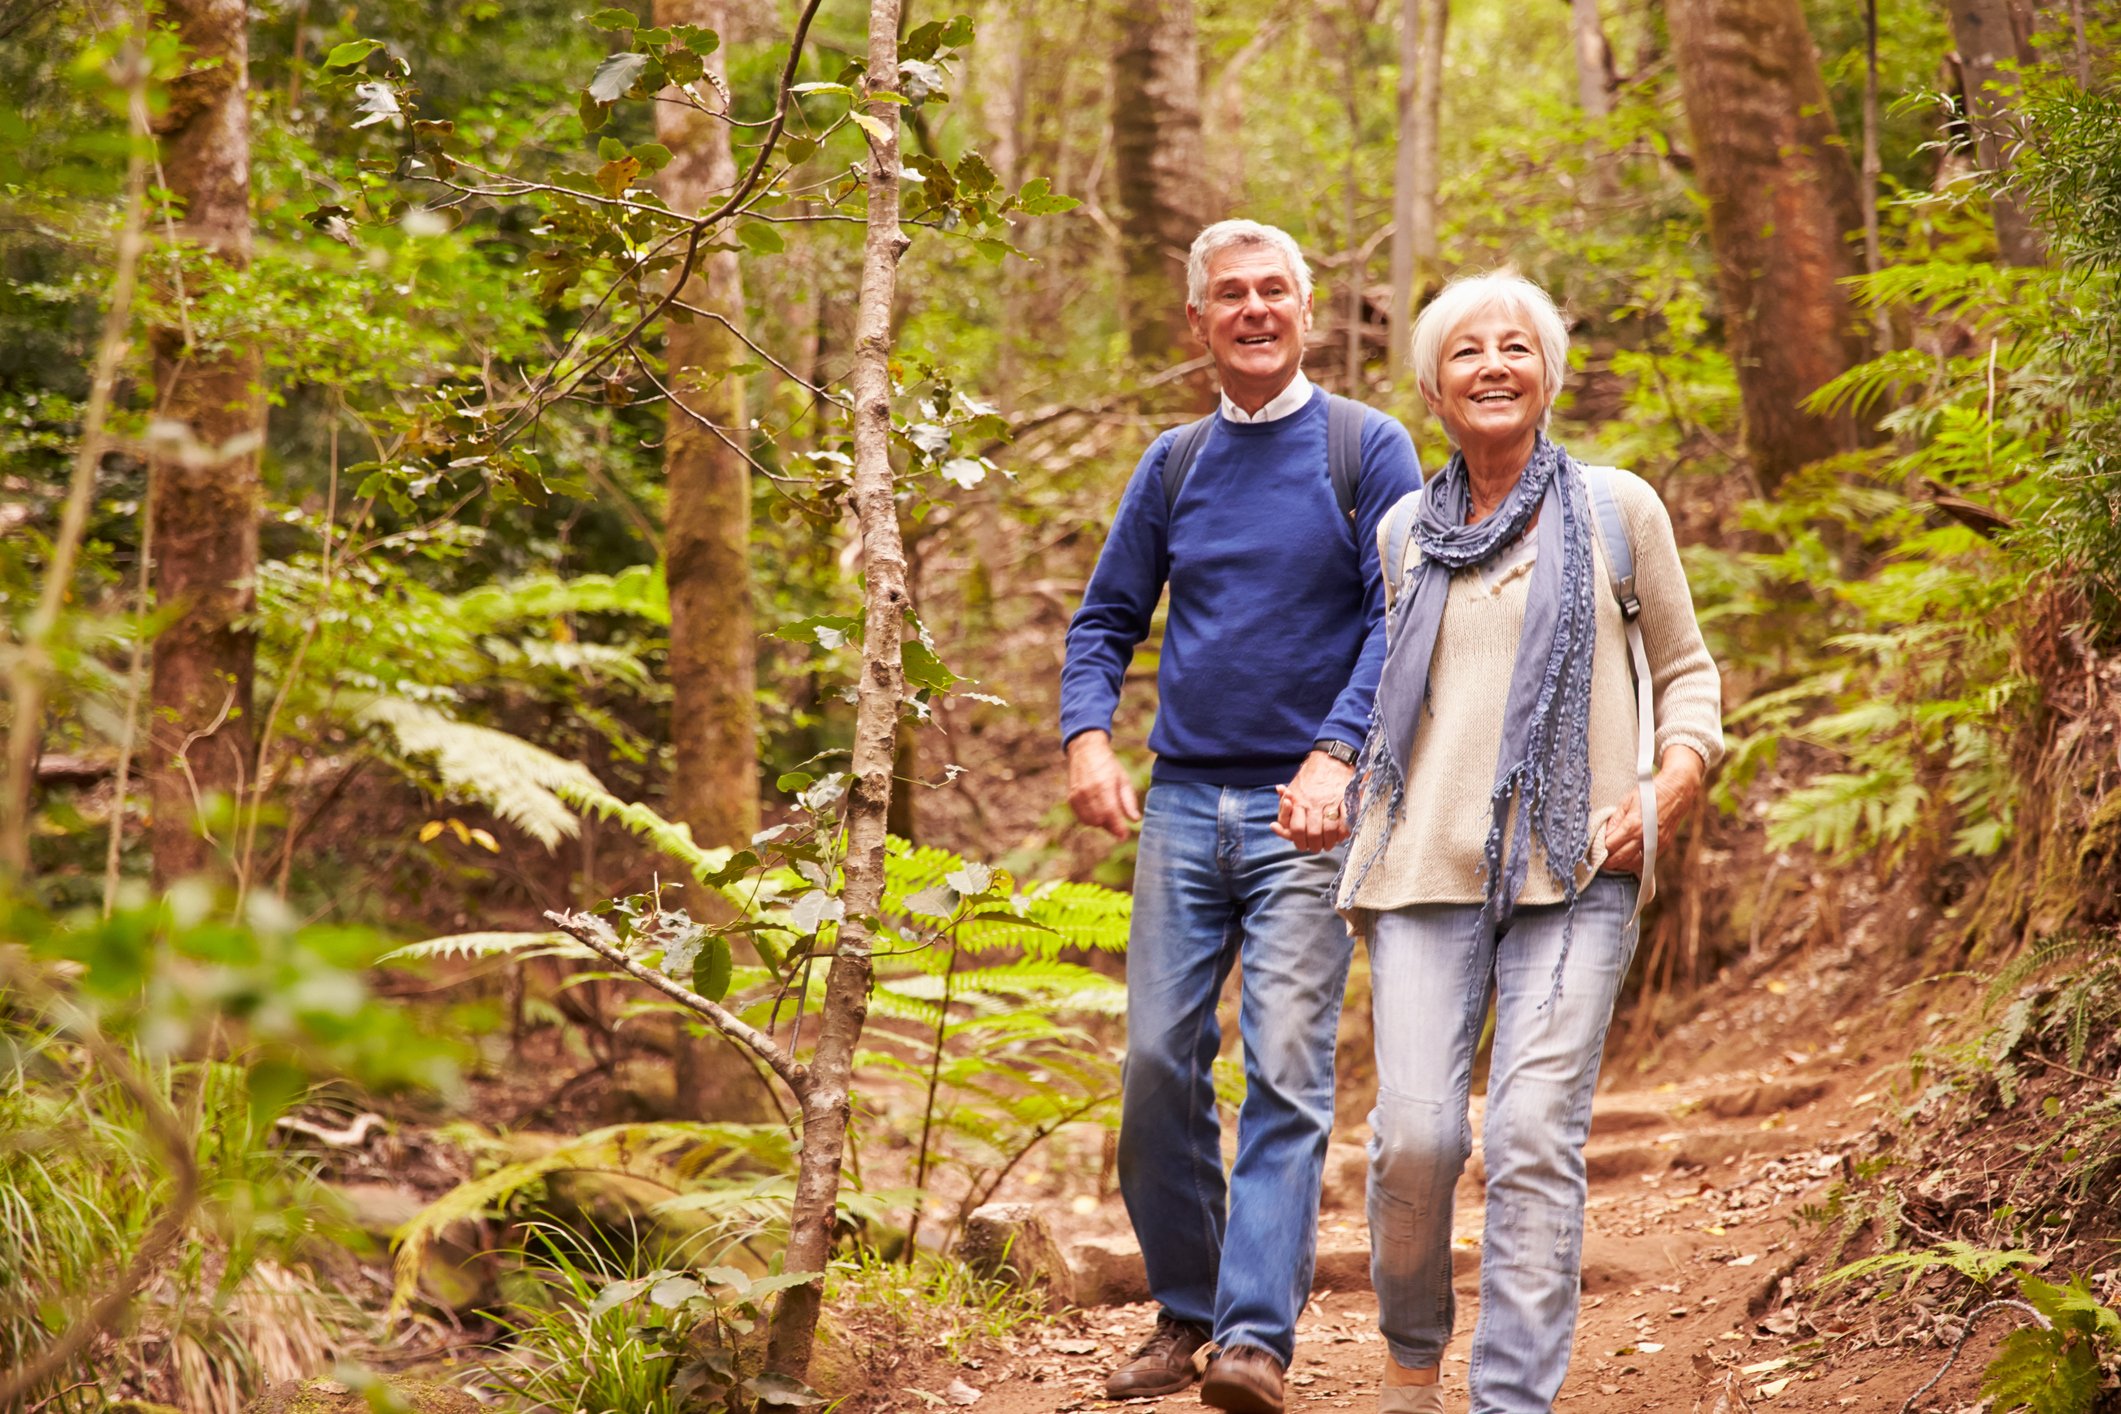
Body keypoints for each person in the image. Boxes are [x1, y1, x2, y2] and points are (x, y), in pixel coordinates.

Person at [1336, 271, 1724, 1414]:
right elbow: (1400, 695)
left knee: (1532, 1132)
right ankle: (1413, 1361)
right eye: (1467, 351)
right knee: (1413, 1138)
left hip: (1577, 865)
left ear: (1549, 374)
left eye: (1517, 346)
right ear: (1433, 390)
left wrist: (1674, 779)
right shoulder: (1407, 527)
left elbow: (1691, 673)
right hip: (1418, 868)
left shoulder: (1617, 510)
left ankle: (1512, 1399)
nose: (1494, 364)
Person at [1059, 219, 1421, 1414]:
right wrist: (1086, 740)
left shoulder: (1367, 449)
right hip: (1179, 806)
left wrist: (1337, 754)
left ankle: (1255, 1336)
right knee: (1159, 1063)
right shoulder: (1172, 464)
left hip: (1306, 813)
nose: (1255, 309)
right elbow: (1105, 619)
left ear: (1307, 309)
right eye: (1232, 295)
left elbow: (1400, 615)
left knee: (1288, 1067)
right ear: (1199, 320)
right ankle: (1189, 1308)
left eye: (1275, 290)